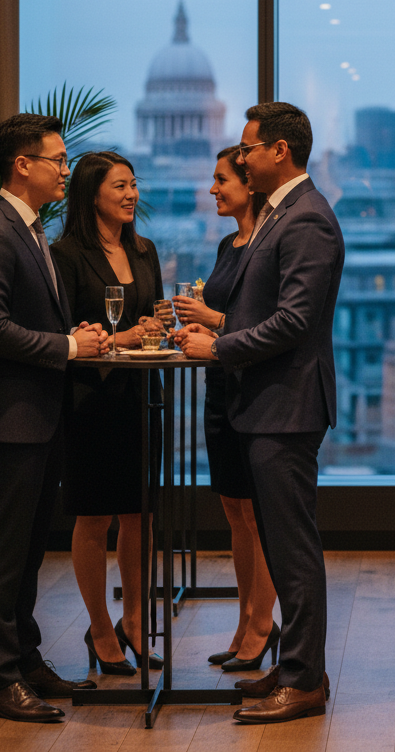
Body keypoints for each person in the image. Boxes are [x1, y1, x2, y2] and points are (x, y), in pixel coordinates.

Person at [177, 102, 343, 724]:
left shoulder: (306, 220)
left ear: (279, 151)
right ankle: (297, 665)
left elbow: (295, 321)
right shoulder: (282, 213)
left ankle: (303, 681)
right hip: (268, 404)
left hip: (287, 406)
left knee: (293, 550)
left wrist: (218, 345)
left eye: (248, 148)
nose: (239, 157)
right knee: (281, 545)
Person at [0, 113, 108, 722]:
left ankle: (26, 660)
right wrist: (69, 348)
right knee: (4, 556)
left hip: (40, 417)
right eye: (57, 159)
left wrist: (71, 334)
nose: (66, 170)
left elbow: (29, 321)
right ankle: (0, 681)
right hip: (10, 419)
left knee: (27, 556)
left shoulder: (31, 229)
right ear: (24, 165)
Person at [51, 151, 165, 676]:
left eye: (134, 184)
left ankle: (135, 620)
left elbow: (151, 318)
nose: (131, 194)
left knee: (138, 513)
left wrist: (157, 326)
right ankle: (99, 628)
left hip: (140, 396)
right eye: (120, 186)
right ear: (92, 193)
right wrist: (122, 336)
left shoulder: (144, 250)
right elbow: (67, 337)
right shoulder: (67, 254)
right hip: (89, 400)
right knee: (94, 515)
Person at [172, 147, 279, 671]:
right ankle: (245, 620)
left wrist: (210, 320)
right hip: (221, 386)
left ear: (249, 183)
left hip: (257, 389)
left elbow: (260, 321)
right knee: (235, 511)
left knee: (258, 517)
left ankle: (263, 624)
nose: (213, 189)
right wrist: (198, 328)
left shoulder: (268, 241)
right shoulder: (226, 243)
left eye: (220, 179)